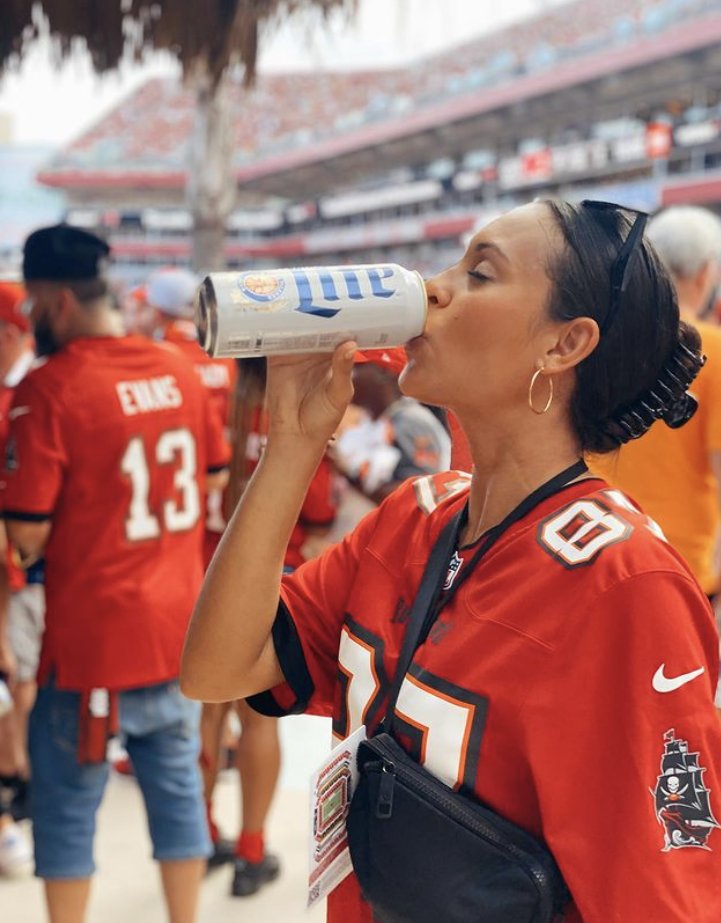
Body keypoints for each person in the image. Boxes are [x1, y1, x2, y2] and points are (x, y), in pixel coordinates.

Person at [181, 200, 721, 922]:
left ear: (564, 344)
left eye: (479, 272)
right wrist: (291, 444)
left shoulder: (626, 585)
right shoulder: (414, 514)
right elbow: (217, 668)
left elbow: (664, 897)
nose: (432, 287)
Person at [2, 225, 230, 923]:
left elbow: (27, 530)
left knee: (67, 812)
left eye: (34, 301)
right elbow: (215, 475)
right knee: (179, 795)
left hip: (94, 643)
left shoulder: (50, 386)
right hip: (176, 628)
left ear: (58, 300)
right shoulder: (177, 367)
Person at [199, 357, 338, 897]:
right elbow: (321, 511)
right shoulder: (294, 413)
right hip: (268, 584)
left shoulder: (212, 404)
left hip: (206, 577)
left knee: (208, 717)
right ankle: (252, 849)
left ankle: (205, 829)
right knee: (258, 722)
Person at [590, 206, 721, 600]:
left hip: (597, 547)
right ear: (704, 274)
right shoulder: (713, 350)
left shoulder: (601, 341)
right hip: (679, 566)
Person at [0, 281, 42, 866]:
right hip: (26, 567)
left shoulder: (28, 391)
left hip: (25, 568)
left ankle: (19, 785)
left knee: (17, 676)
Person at [333, 349, 451, 503]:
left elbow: (420, 496)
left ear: (384, 373)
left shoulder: (410, 420)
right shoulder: (369, 424)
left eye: (357, 368)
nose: (350, 376)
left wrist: (349, 475)